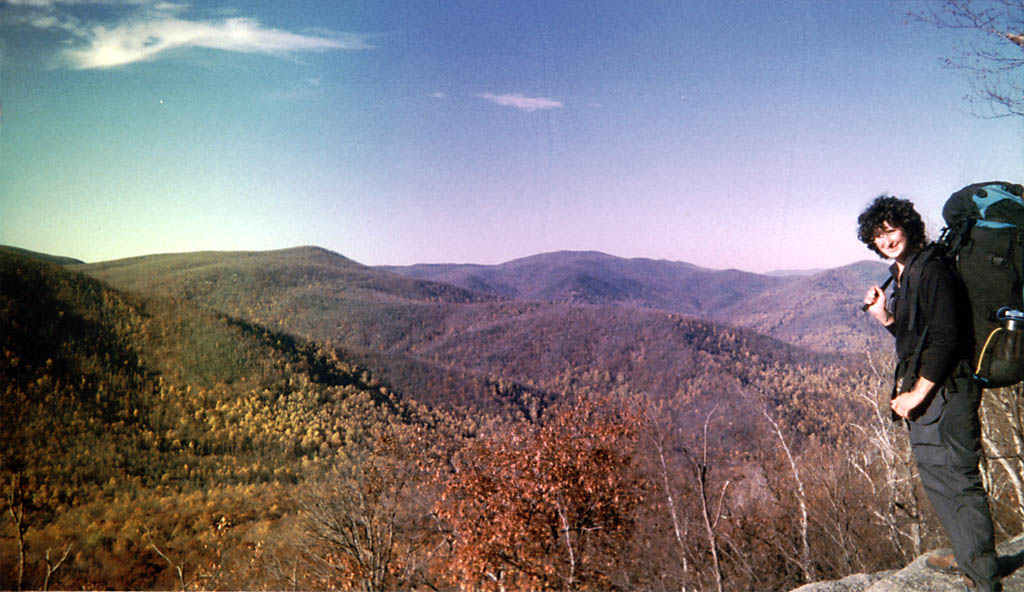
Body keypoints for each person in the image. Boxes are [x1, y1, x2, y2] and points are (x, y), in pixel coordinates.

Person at [858, 195, 1001, 592]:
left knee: (957, 480)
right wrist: (884, 316)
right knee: (939, 479)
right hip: (932, 395)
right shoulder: (904, 273)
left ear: (908, 227)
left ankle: (983, 579)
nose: (886, 240)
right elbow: (914, 337)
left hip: (947, 394)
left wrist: (916, 395)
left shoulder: (932, 270)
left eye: (891, 230)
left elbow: (946, 338)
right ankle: (968, 549)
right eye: (878, 235)